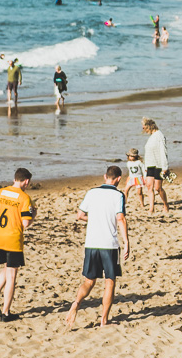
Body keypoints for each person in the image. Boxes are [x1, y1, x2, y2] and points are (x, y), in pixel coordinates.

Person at [66, 167, 129, 329]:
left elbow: (79, 215)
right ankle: (104, 319)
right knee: (110, 282)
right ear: (118, 179)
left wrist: (94, 220)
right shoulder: (118, 195)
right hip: (109, 246)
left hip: (91, 244)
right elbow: (120, 219)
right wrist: (127, 242)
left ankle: (76, 303)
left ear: (105, 177)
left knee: (89, 281)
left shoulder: (92, 192)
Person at [0, 167, 36, 322]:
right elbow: (26, 223)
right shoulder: (24, 198)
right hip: (12, 239)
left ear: (14, 179)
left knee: (6, 267)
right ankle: (6, 313)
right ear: (26, 181)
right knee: (12, 275)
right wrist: (34, 215)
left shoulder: (0, 193)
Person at [141, 117, 171, 215]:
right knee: (149, 186)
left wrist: (165, 167)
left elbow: (163, 151)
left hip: (159, 165)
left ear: (149, 126)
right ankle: (151, 209)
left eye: (144, 128)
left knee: (158, 188)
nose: (144, 130)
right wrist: (145, 168)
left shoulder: (159, 136)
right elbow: (148, 153)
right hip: (150, 165)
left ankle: (166, 205)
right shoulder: (152, 137)